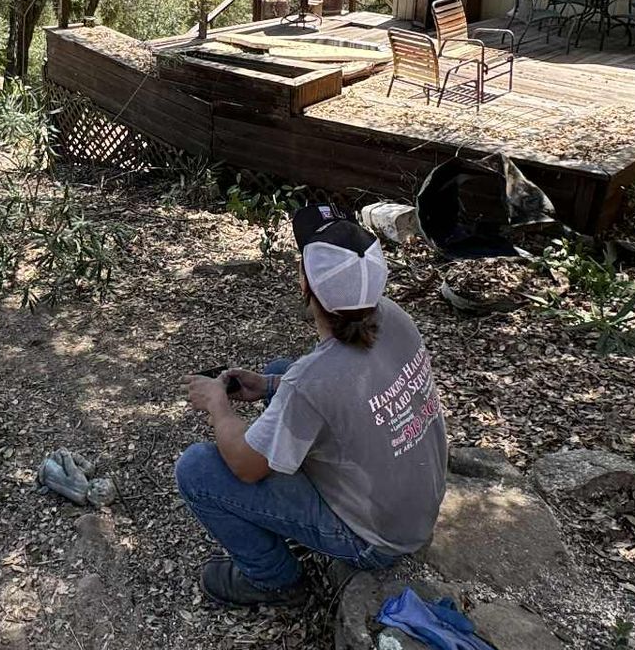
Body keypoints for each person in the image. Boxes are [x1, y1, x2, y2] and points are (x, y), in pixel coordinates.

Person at [175, 204, 448, 607]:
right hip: (415, 507)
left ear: (306, 283)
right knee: (282, 371)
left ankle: (273, 580)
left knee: (197, 469)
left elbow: (245, 467)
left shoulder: (312, 380)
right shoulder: (392, 315)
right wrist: (270, 385)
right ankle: (277, 406)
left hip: (377, 541)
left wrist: (219, 406)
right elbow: (341, 385)